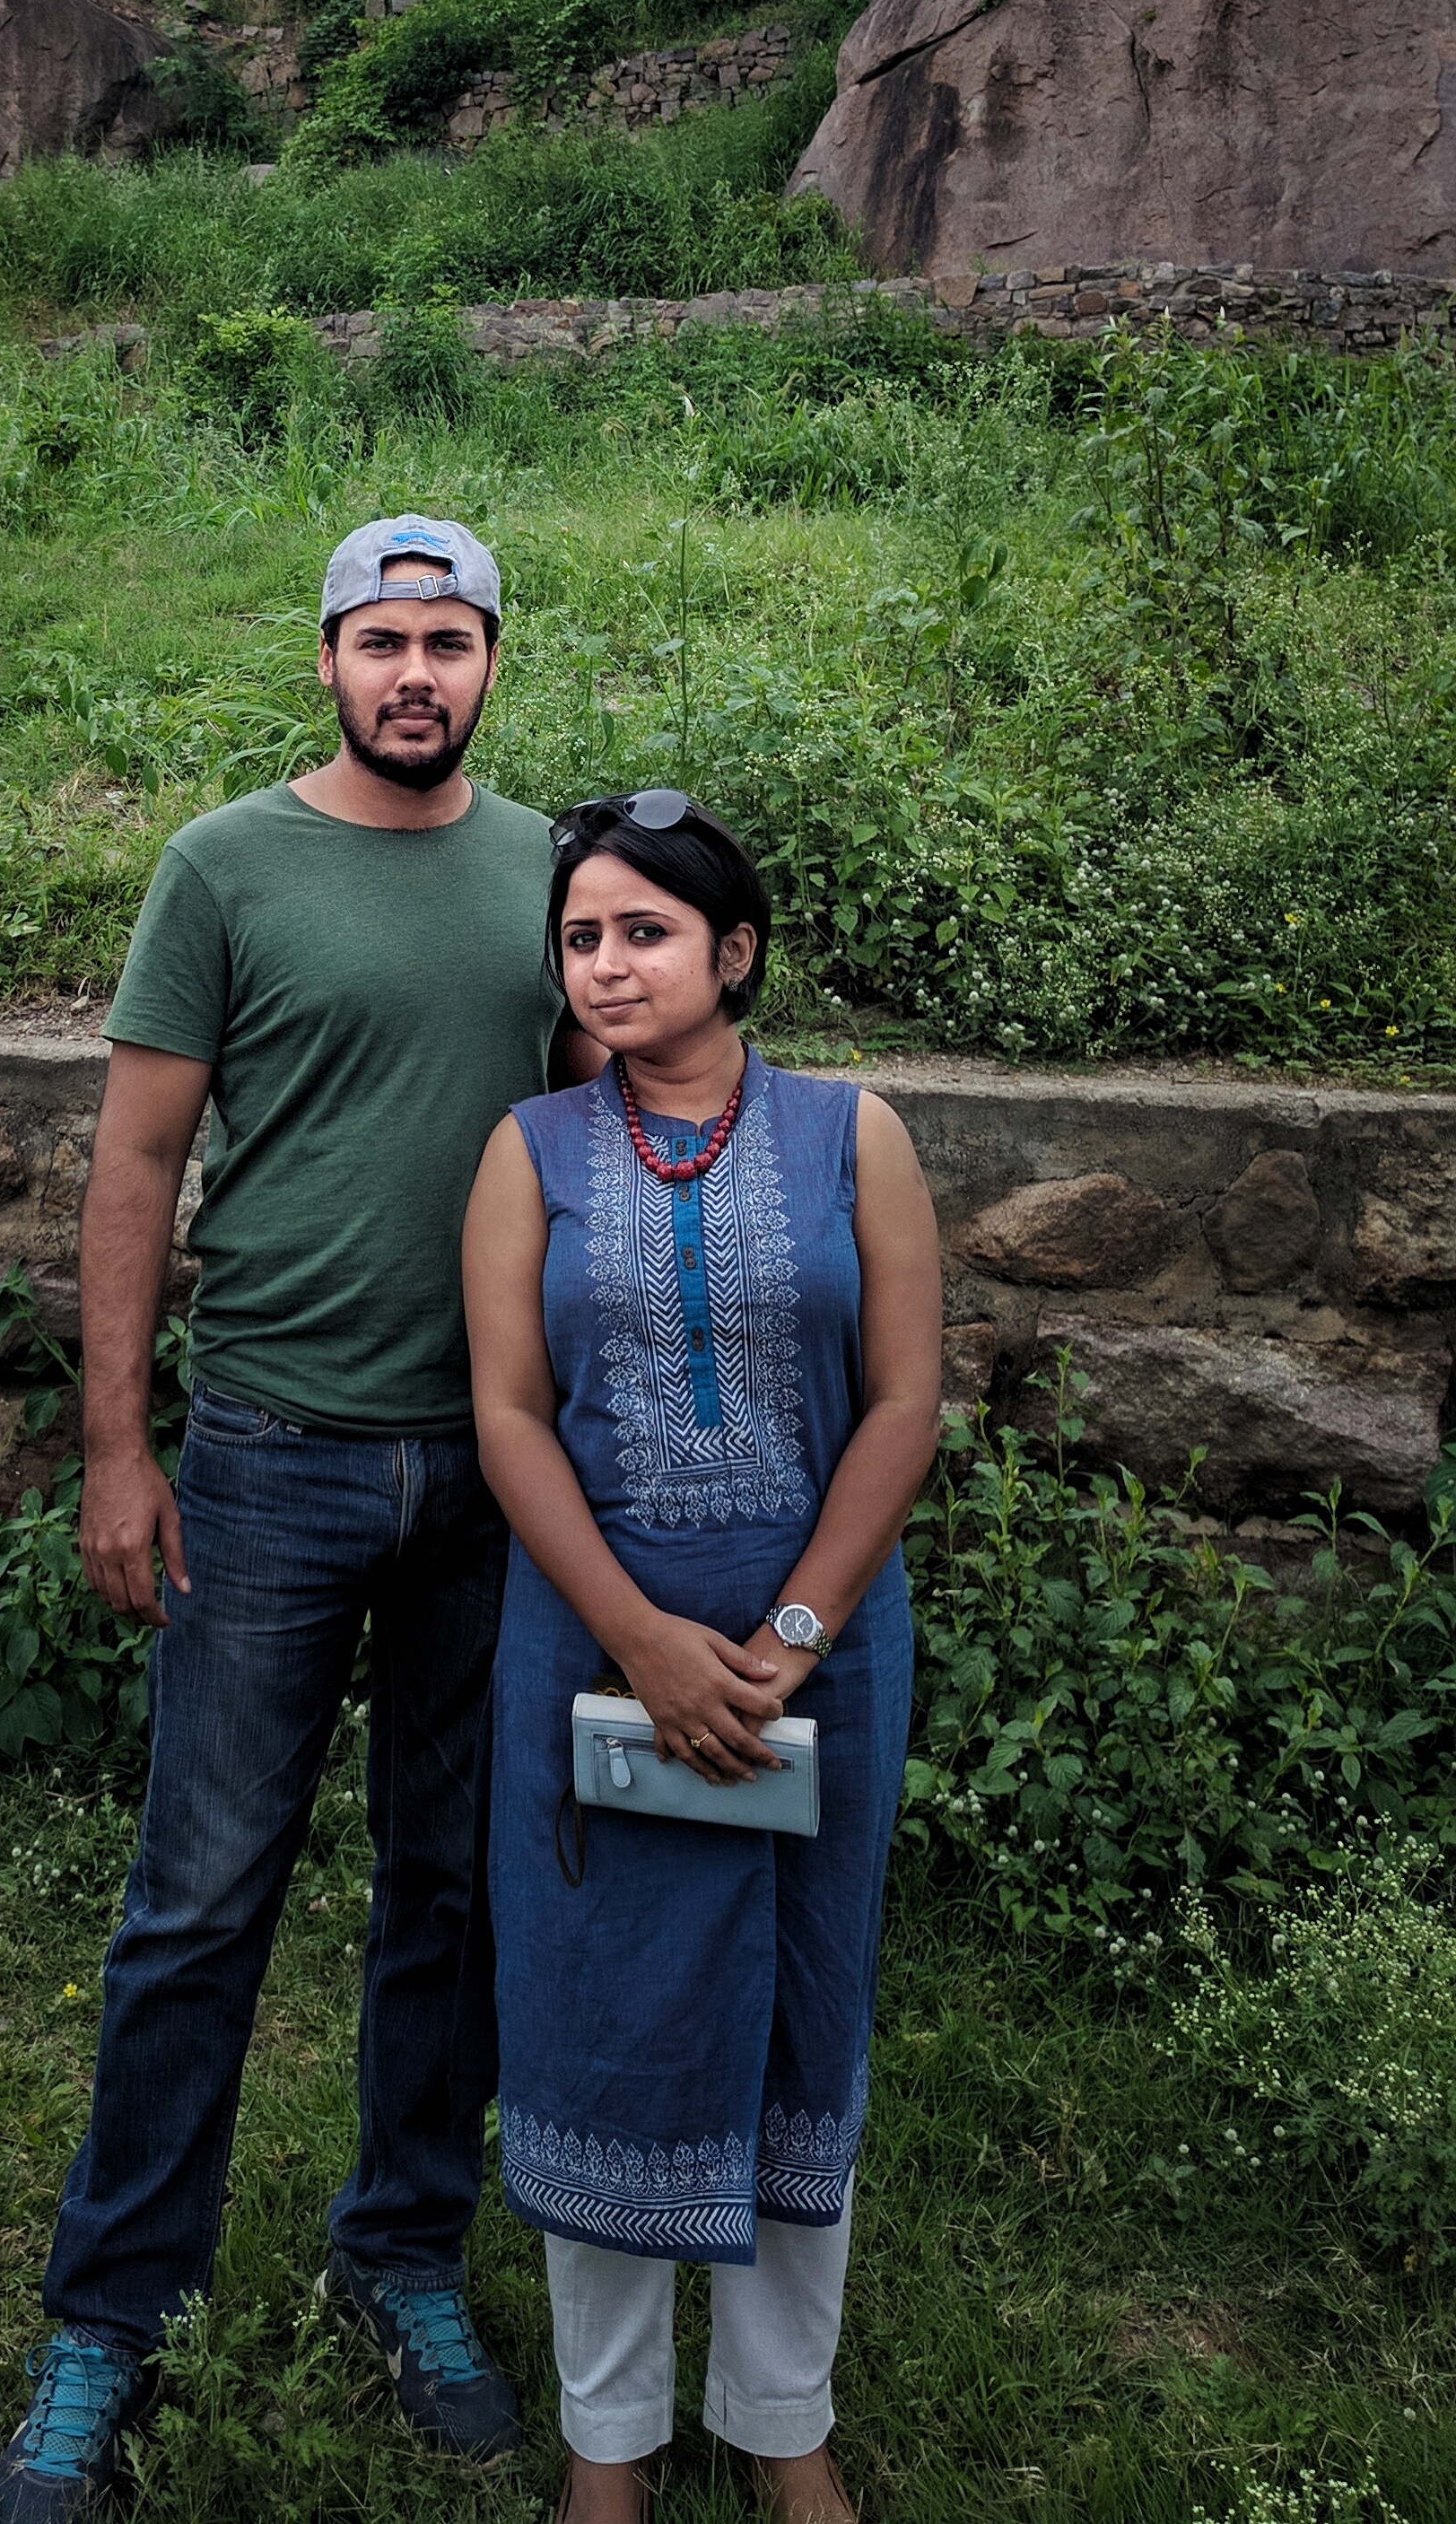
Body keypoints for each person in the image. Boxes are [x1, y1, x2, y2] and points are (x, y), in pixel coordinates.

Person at [0, 515, 604, 2524]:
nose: (413, 671)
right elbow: (136, 1159)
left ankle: (401, 2251)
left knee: (452, 1888)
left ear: (493, 660)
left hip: (494, 1467)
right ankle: (107, 2313)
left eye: (448, 639)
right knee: (198, 1895)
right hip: (269, 1451)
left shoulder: (547, 876)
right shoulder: (224, 866)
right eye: (379, 639)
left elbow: (613, 1123)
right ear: (324, 658)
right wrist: (116, 1441)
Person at [461, 791, 943, 2524]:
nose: (607, 965)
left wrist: (792, 1633)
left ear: (734, 953)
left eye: (646, 931)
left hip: (821, 1656)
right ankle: (613, 2443)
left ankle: (778, 2418)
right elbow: (509, 1415)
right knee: (592, 2019)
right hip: (591, 1649)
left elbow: (904, 1402)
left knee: (805, 2016)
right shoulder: (529, 1152)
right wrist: (643, 1637)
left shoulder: (849, 1134)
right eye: (582, 937)